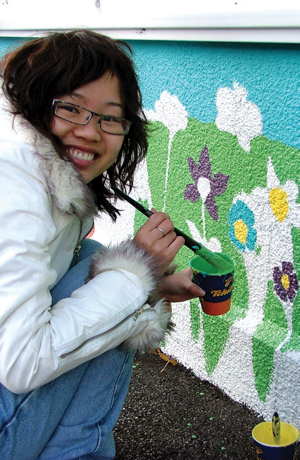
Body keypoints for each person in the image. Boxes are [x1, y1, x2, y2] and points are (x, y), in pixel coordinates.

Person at [0, 30, 204, 459]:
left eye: (110, 118)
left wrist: (150, 285)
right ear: (37, 102)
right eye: (71, 108)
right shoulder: (15, 183)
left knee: (100, 267)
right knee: (112, 279)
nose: (91, 132)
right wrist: (136, 277)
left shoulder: (31, 160)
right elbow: (22, 363)